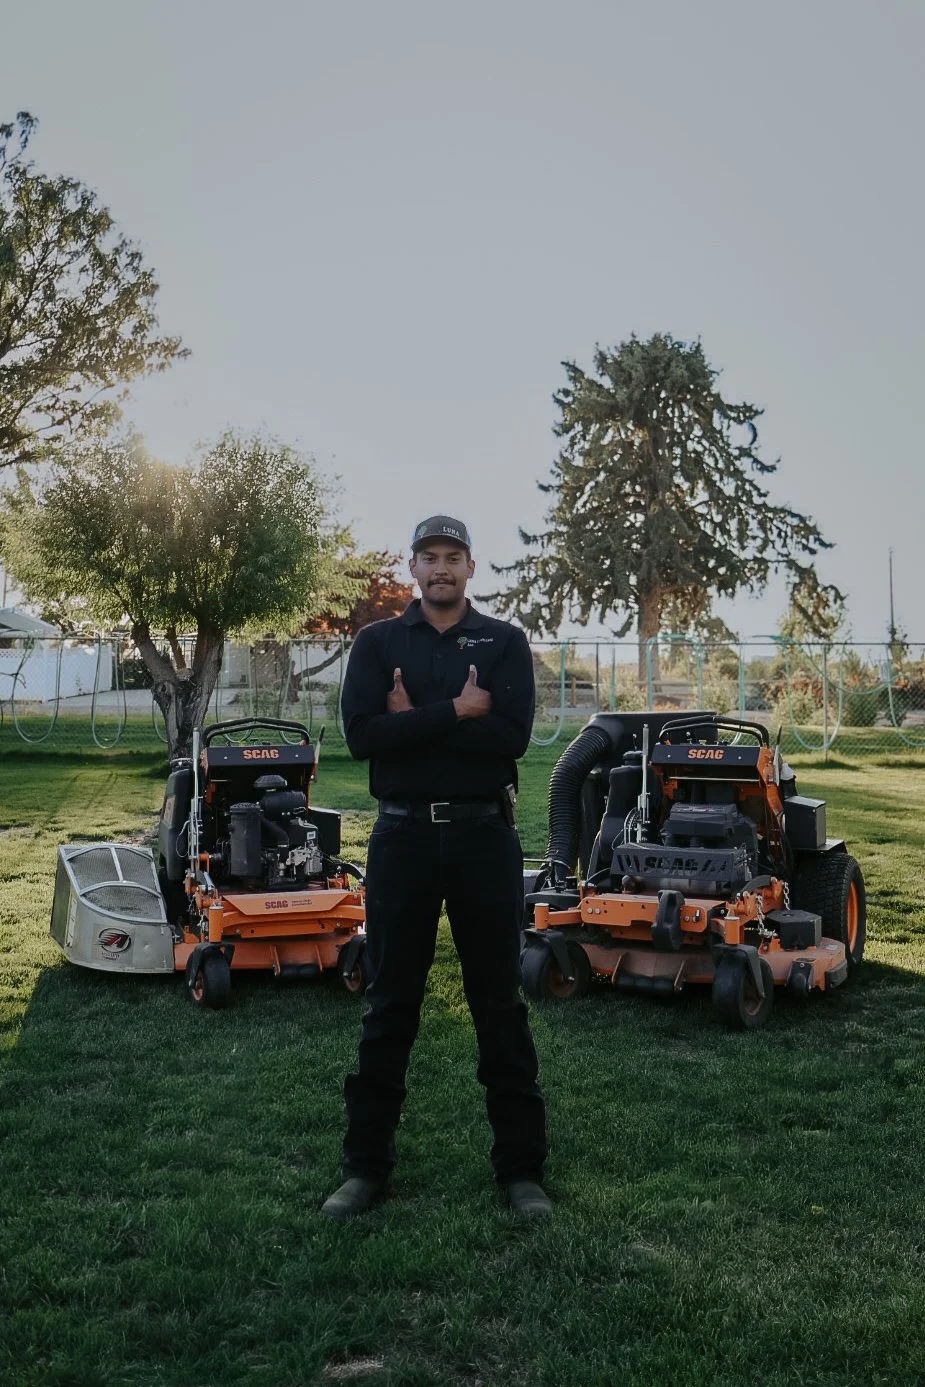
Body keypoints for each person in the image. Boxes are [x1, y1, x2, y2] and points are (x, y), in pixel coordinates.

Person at [321, 515, 550, 1220]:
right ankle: (364, 1169)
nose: (441, 568)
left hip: (485, 839)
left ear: (470, 568)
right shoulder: (377, 641)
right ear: (411, 567)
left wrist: (413, 720)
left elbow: (508, 738)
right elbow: (363, 738)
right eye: (430, 556)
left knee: (499, 1006)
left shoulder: (504, 642)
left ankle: (521, 1172)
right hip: (401, 840)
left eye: (453, 557)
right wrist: (455, 709)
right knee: (390, 1003)